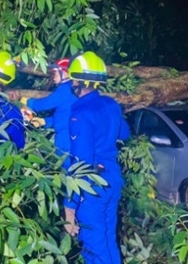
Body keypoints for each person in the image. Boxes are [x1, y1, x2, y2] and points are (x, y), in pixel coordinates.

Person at [63, 52, 130, 264]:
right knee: (108, 240)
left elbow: (80, 162)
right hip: (112, 179)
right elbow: (124, 134)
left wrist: (70, 207)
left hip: (92, 185)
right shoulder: (111, 105)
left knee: (93, 246)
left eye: (73, 79)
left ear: (78, 82)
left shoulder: (80, 112)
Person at [18, 57, 75, 161]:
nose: (53, 77)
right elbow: (64, 115)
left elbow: (46, 104)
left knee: (64, 162)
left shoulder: (65, 89)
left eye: (56, 73)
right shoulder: (71, 89)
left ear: (66, 74)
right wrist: (45, 121)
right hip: (68, 130)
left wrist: (28, 101)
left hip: (65, 135)